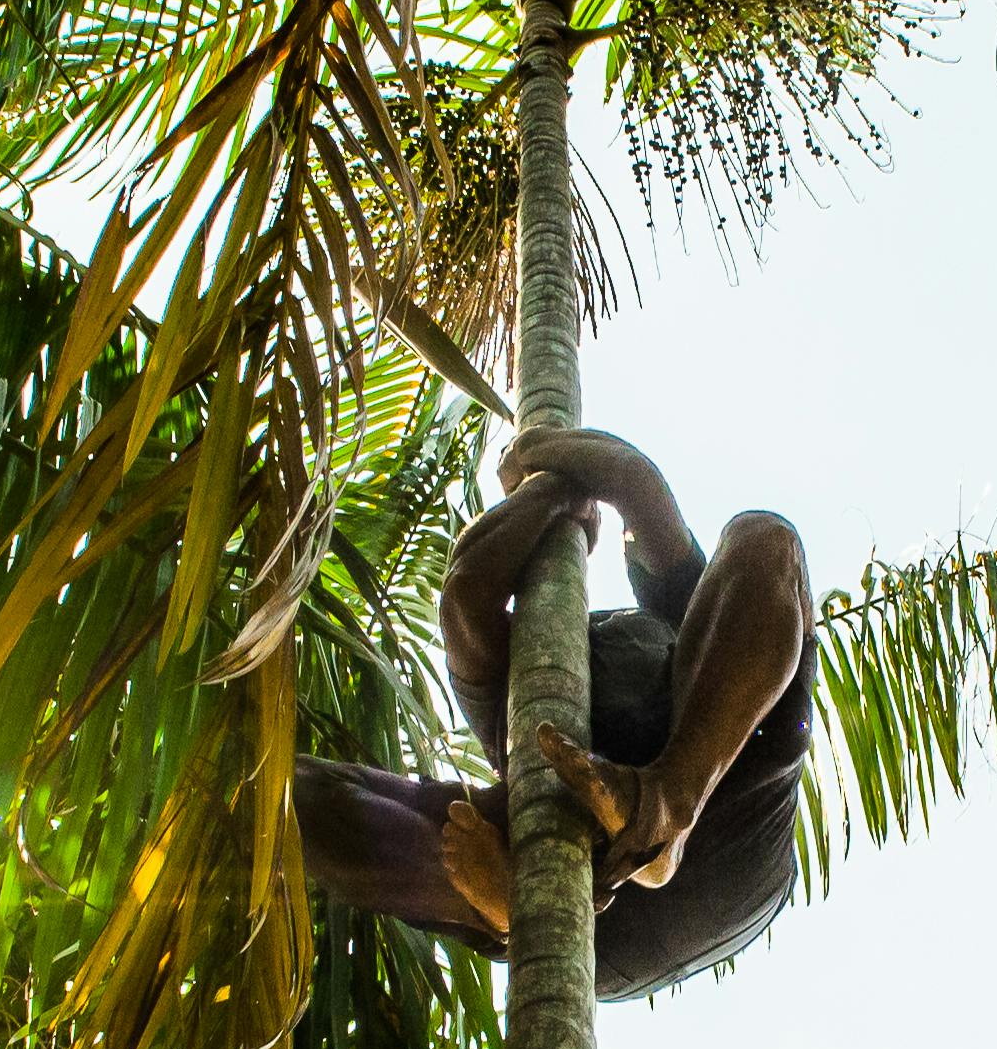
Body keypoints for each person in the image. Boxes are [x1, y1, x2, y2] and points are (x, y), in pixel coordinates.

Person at [295, 427, 814, 998]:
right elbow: (468, 592)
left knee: (765, 539)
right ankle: (507, 907)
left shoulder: (703, 627)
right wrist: (553, 493)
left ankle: (657, 811)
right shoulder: (517, 690)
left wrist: (542, 459)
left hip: (732, 821)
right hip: (604, 912)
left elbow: (636, 483)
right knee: (305, 795)